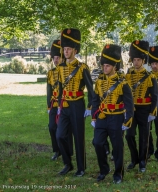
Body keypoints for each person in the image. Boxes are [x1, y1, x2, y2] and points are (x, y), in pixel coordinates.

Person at [91, 44, 134, 184]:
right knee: (97, 143)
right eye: (104, 65)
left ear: (115, 67)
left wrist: (127, 120)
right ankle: (104, 170)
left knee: (117, 147)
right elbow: (95, 99)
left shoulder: (122, 83)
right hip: (102, 117)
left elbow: (129, 103)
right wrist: (93, 115)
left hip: (116, 117)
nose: (105, 68)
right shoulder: (99, 81)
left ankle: (118, 173)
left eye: (108, 66)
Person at [56, 28, 94, 177]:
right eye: (64, 49)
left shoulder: (82, 67)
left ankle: (81, 167)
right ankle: (68, 163)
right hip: (65, 105)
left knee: (78, 137)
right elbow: (60, 89)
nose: (66, 51)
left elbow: (91, 90)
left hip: (78, 105)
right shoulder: (60, 68)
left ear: (75, 51)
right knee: (60, 135)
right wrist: (59, 106)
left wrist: (90, 107)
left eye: (69, 49)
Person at [125, 40, 158, 172]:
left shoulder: (150, 77)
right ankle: (134, 159)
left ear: (143, 61)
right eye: (134, 59)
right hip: (131, 110)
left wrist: (153, 112)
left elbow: (155, 96)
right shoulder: (128, 76)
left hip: (145, 110)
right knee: (129, 135)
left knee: (144, 137)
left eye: (139, 60)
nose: (136, 62)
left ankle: (143, 161)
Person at [47, 40, 73, 161]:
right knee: (52, 127)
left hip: (65, 103)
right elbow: (49, 91)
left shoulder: (67, 71)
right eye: (54, 58)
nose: (56, 60)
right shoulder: (51, 73)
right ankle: (57, 150)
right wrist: (49, 106)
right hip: (54, 103)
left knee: (65, 130)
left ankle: (67, 151)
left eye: (58, 57)